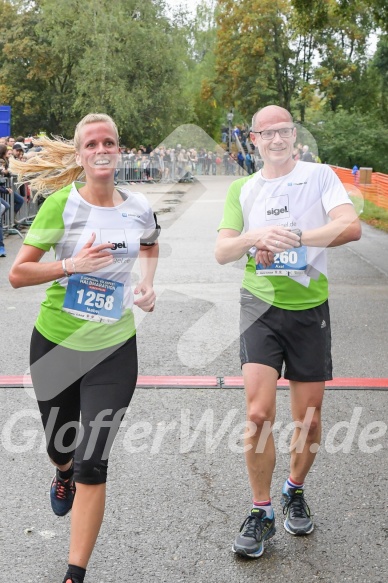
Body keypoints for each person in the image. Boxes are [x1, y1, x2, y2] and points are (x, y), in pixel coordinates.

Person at [9, 113, 160, 583]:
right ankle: (61, 471)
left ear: (119, 152)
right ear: (80, 155)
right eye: (91, 143)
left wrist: (147, 285)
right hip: (56, 343)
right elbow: (18, 274)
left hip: (114, 347)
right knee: (63, 447)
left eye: (109, 142)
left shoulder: (138, 207)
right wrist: (70, 264)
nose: (101, 149)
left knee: (95, 460)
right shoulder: (61, 206)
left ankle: (75, 573)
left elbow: (152, 244)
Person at [215, 105, 361, 559]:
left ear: (293, 135)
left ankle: (294, 489)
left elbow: (351, 226)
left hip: (308, 308)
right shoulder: (243, 188)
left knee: (309, 419)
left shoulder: (319, 177)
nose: (276, 139)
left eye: (283, 131)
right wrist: (255, 236)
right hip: (259, 305)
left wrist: (299, 238)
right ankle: (261, 512)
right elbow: (223, 250)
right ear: (253, 140)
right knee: (258, 414)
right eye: (266, 133)